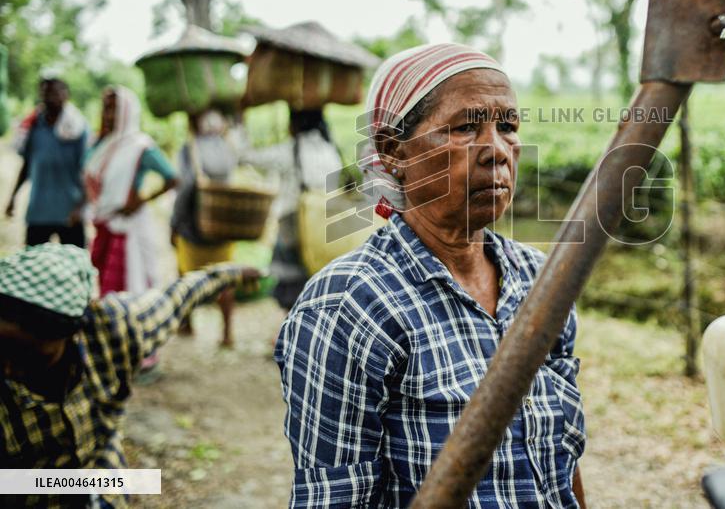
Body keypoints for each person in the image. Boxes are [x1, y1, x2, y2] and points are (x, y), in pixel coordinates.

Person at [275, 44, 587, 508]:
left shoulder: (541, 281)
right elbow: (336, 498)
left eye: (508, 127)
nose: (497, 151)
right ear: (392, 151)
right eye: (464, 128)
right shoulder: (348, 306)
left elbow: (563, 459)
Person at [0, 242, 258, 508]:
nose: (9, 368)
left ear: (71, 333)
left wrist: (232, 274)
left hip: (102, 479)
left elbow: (179, 297)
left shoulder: (115, 328)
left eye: (27, 355)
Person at [238, 108, 343, 312]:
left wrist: (240, 124)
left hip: (294, 221)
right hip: (324, 224)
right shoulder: (329, 148)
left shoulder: (290, 150)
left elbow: (247, 157)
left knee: (292, 280)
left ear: (295, 124)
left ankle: (294, 325)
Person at [84, 86, 178, 298]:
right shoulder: (101, 143)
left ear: (128, 111)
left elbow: (173, 178)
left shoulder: (140, 146)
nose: (108, 116)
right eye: (106, 109)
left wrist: (141, 201)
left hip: (127, 227)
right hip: (104, 223)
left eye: (114, 110)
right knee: (103, 283)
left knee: (124, 288)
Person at [170, 109, 238, 346]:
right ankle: (227, 334)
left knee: (186, 277)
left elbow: (184, 187)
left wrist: (174, 223)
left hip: (193, 226)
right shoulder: (227, 148)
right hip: (223, 226)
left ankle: (187, 324)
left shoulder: (191, 149)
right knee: (226, 279)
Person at [5, 74, 89, 247]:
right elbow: (27, 165)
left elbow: (88, 171)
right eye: (44, 92)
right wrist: (13, 197)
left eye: (54, 92)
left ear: (66, 95)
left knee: (74, 266)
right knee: (33, 267)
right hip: (38, 212)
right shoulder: (34, 127)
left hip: (69, 213)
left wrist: (80, 207)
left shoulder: (78, 128)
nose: (49, 97)